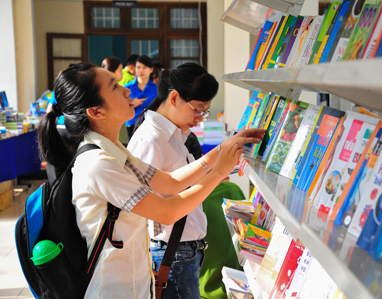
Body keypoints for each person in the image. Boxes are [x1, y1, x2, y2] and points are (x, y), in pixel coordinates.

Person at [37, 62, 264, 299]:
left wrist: (224, 149)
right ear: (96, 112)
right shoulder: (99, 163)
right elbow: (166, 212)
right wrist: (217, 173)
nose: (127, 91)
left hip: (133, 283)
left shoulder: (116, 152)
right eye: (115, 87)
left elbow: (171, 182)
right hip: (114, 290)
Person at [128, 62, 238, 298]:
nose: (200, 118)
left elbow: (175, 185)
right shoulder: (151, 140)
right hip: (172, 252)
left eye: (205, 112)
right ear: (175, 97)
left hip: (182, 250)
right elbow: (151, 207)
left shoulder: (175, 135)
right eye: (198, 109)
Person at [124, 55, 157, 139]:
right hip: (131, 124)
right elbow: (119, 107)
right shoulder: (127, 87)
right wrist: (131, 104)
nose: (141, 70)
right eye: (138, 67)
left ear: (151, 69)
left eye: (144, 67)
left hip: (151, 125)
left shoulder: (156, 89)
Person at [101, 56, 128, 146]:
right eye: (120, 70)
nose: (122, 74)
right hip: (114, 134)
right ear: (111, 73)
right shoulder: (107, 92)